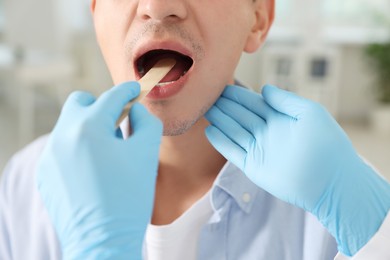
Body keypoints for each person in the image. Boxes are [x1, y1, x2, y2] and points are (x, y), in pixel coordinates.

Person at [1, 0, 389, 259]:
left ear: (258, 18)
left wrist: (378, 236)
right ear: (95, 10)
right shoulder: (22, 186)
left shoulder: (339, 200)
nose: (158, 7)